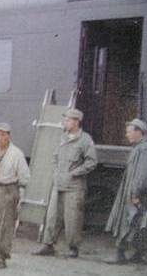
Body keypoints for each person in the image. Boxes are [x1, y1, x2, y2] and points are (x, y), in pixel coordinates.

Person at [33, 109, 97, 259]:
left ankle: (73, 248)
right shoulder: (62, 137)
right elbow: (55, 156)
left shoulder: (85, 140)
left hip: (75, 187)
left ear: (76, 122)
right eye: (65, 120)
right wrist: (57, 172)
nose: (65, 122)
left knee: (73, 218)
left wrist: (74, 173)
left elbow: (92, 162)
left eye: (68, 120)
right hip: (59, 184)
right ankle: (48, 245)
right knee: (52, 216)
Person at [0, 123, 30, 269]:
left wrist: (17, 193)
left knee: (5, 225)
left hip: (9, 190)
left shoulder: (17, 154)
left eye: (3, 134)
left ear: (9, 136)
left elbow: (25, 177)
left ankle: (2, 258)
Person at [105, 119, 147, 264]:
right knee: (135, 222)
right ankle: (137, 254)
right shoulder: (139, 148)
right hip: (131, 192)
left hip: (134, 194)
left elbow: (143, 175)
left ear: (139, 132)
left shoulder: (144, 149)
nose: (127, 135)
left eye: (130, 131)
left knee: (128, 221)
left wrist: (135, 193)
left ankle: (121, 254)